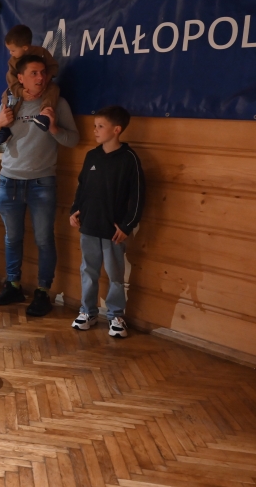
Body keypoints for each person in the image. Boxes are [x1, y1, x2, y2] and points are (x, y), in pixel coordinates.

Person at [0, 54, 80, 316]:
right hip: (9, 181)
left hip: (42, 183)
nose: (41, 78)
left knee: (43, 239)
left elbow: (73, 140)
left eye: (43, 73)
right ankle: (13, 285)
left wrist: (53, 128)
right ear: (20, 78)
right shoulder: (10, 101)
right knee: (12, 238)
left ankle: (43, 292)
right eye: (34, 73)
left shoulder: (57, 103)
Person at [70, 106, 145, 338]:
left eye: (100, 126)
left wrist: (127, 225)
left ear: (116, 129)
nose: (95, 130)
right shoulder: (92, 156)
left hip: (113, 231)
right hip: (89, 226)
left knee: (115, 276)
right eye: (95, 126)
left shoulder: (129, 159)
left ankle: (116, 316)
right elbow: (83, 188)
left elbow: (138, 196)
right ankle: (88, 312)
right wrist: (75, 210)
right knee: (88, 271)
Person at [0, 25, 61, 145]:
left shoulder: (41, 52)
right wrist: (21, 92)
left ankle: (45, 116)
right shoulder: (13, 61)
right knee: (8, 95)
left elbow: (53, 67)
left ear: (25, 47)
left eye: (13, 50)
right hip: (19, 89)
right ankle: (6, 128)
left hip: (45, 84)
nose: (10, 53)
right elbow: (11, 80)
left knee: (54, 90)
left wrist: (45, 80)